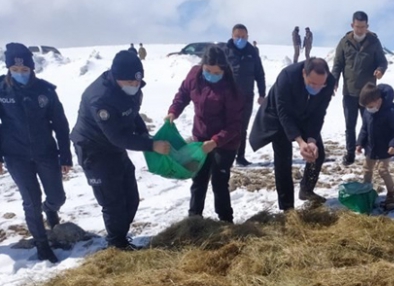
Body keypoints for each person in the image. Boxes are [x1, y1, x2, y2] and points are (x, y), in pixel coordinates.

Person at [71, 50, 171, 250]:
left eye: (138, 82)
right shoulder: (100, 98)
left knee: (131, 198)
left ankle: (121, 237)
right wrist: (151, 146)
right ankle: (117, 245)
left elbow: (132, 114)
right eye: (130, 83)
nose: (135, 87)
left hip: (115, 147)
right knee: (113, 201)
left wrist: (145, 136)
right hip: (94, 150)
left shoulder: (132, 88)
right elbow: (116, 136)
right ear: (116, 77)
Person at [0, 43, 71, 263]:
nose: (19, 73)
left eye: (24, 70)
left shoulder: (45, 91)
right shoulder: (1, 89)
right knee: (30, 200)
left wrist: (65, 155)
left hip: (45, 153)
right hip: (16, 156)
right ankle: (42, 245)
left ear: (32, 69)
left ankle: (50, 210)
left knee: (57, 197)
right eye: (14, 70)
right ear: (8, 68)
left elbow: (60, 124)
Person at [166, 46, 244, 223]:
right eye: (207, 70)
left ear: (224, 70)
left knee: (219, 181)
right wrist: (174, 111)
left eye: (216, 72)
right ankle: (194, 219)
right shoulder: (194, 75)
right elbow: (183, 93)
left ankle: (225, 220)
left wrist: (216, 141)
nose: (211, 75)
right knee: (199, 179)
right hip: (200, 138)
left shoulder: (232, 90)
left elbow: (235, 125)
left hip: (225, 142)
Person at [249, 58, 335, 211]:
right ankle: (287, 208)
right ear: (304, 73)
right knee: (283, 160)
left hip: (306, 115)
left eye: (320, 85)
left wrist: (311, 140)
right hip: (279, 118)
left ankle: (306, 190)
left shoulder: (329, 81)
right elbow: (284, 113)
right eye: (312, 83)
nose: (316, 87)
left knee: (317, 154)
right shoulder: (287, 76)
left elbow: (319, 113)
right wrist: (300, 141)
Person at [332, 11, 388, 166]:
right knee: (350, 125)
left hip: (368, 93)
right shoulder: (344, 43)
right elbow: (337, 65)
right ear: (352, 25)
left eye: (363, 27)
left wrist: (380, 70)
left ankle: (371, 152)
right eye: (357, 27)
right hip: (349, 92)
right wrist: (334, 81)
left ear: (367, 26)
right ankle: (350, 154)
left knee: (369, 123)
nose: (360, 30)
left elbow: (382, 62)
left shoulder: (374, 42)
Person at [355, 83, 394, 210]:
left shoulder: (392, 111)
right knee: (367, 169)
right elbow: (364, 128)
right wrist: (360, 143)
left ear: (379, 101)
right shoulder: (367, 111)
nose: (368, 109)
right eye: (366, 107)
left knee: (383, 170)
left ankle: (392, 193)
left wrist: (393, 145)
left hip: (386, 147)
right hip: (371, 146)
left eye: (370, 106)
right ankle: (366, 191)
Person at [225, 24, 267, 166]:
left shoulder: (252, 52)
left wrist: (262, 93)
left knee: (242, 128)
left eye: (243, 37)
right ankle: (224, 155)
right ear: (232, 36)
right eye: (238, 36)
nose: (241, 39)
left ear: (247, 36)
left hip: (246, 96)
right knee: (227, 126)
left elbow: (259, 74)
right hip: (228, 97)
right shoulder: (225, 51)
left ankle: (240, 156)